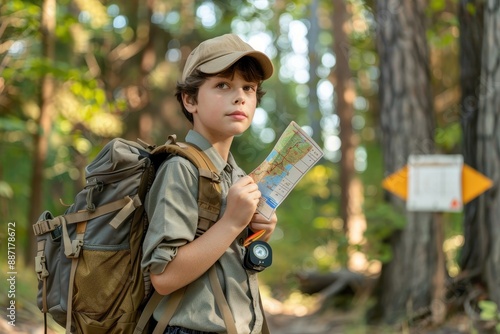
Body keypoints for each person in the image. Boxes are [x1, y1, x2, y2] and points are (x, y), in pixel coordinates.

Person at [141, 33, 278, 334]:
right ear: (190, 100)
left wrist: (258, 235)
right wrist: (231, 222)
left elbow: (226, 263)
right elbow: (163, 277)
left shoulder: (238, 176)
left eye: (249, 88)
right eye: (222, 85)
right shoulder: (181, 169)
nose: (240, 96)